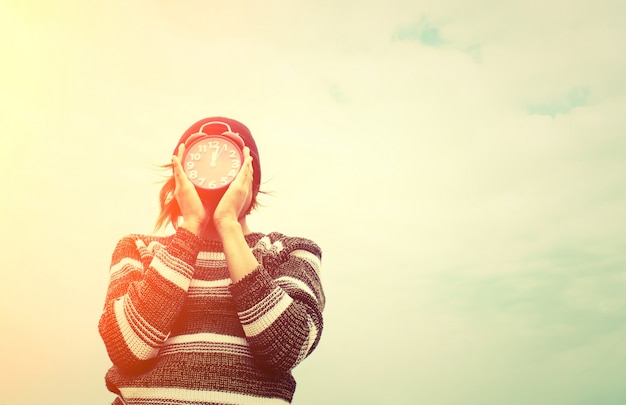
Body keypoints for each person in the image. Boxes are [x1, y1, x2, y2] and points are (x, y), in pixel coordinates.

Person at [98, 117, 325, 405]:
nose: (212, 172)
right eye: (198, 162)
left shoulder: (290, 251)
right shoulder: (138, 248)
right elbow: (129, 348)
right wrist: (191, 225)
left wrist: (228, 225)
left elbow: (285, 347)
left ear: (249, 179)